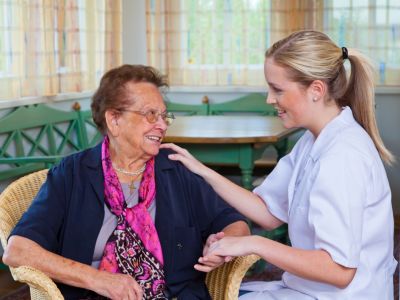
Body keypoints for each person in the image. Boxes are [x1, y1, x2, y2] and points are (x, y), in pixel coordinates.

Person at [161, 30, 397, 299]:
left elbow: (338, 271)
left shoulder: (342, 157)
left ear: (316, 90)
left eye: (278, 89)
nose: (269, 99)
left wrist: (253, 244)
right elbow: (267, 212)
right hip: (307, 289)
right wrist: (202, 170)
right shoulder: (313, 140)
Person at [3, 64, 249, 299]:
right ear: (114, 120)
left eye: (164, 116)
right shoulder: (72, 174)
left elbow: (235, 223)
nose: (162, 125)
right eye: (151, 115)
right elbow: (18, 250)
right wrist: (98, 279)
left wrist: (221, 244)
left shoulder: (175, 169)